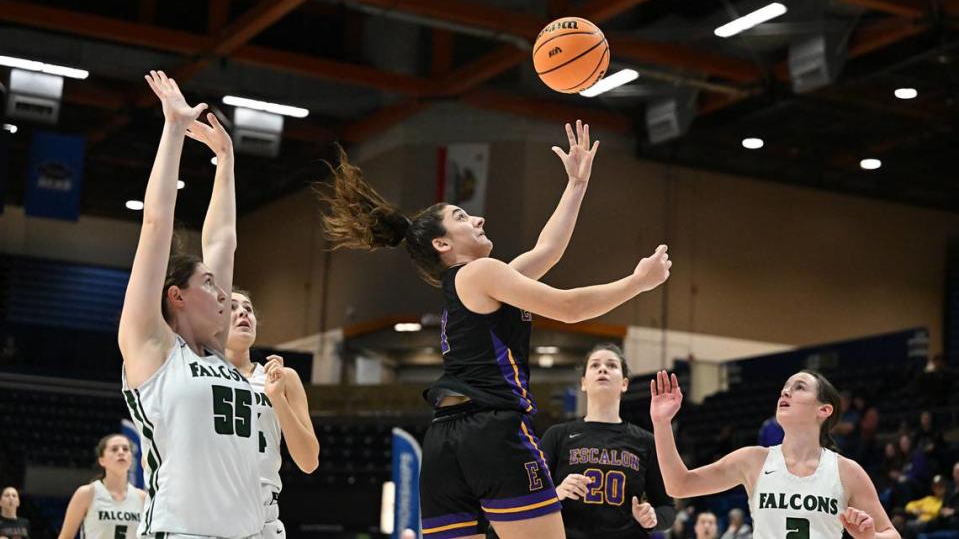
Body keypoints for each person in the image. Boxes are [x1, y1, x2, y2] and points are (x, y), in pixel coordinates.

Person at [316, 121, 671, 539]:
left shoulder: (481, 283)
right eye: (463, 217)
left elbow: (548, 251)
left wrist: (576, 185)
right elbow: (571, 308)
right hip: (492, 432)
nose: (479, 218)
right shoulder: (482, 273)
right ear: (442, 245)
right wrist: (637, 283)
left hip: (444, 441)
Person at [118, 71, 262, 538]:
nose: (224, 293)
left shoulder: (216, 352)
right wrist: (174, 128)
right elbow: (156, 225)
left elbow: (223, 239)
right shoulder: (152, 348)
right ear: (175, 295)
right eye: (209, 284)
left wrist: (226, 162)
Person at [650, 370, 900, 539]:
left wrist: (872, 537)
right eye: (785, 388)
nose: (786, 392)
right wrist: (661, 423)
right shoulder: (753, 460)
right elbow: (679, 485)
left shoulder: (847, 472)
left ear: (823, 410)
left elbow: (891, 534)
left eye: (799, 387)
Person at [537, 344, 674, 538]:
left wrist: (653, 518)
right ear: (583, 383)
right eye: (595, 365)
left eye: (611, 365)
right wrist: (556, 493)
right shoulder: (557, 435)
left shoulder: (645, 441)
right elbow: (529, 496)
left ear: (624, 384)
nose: (603, 369)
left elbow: (667, 508)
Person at [225, 289, 320, 538]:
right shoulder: (198, 374)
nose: (243, 312)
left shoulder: (284, 377)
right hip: (213, 503)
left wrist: (277, 398)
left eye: (248, 308)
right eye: (233, 307)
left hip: (263, 510)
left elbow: (309, 461)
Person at [57, 434, 146, 539]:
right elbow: (65, 537)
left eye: (126, 449)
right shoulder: (86, 493)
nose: (121, 452)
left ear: (131, 459)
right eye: (114, 449)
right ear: (102, 460)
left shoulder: (142, 498)